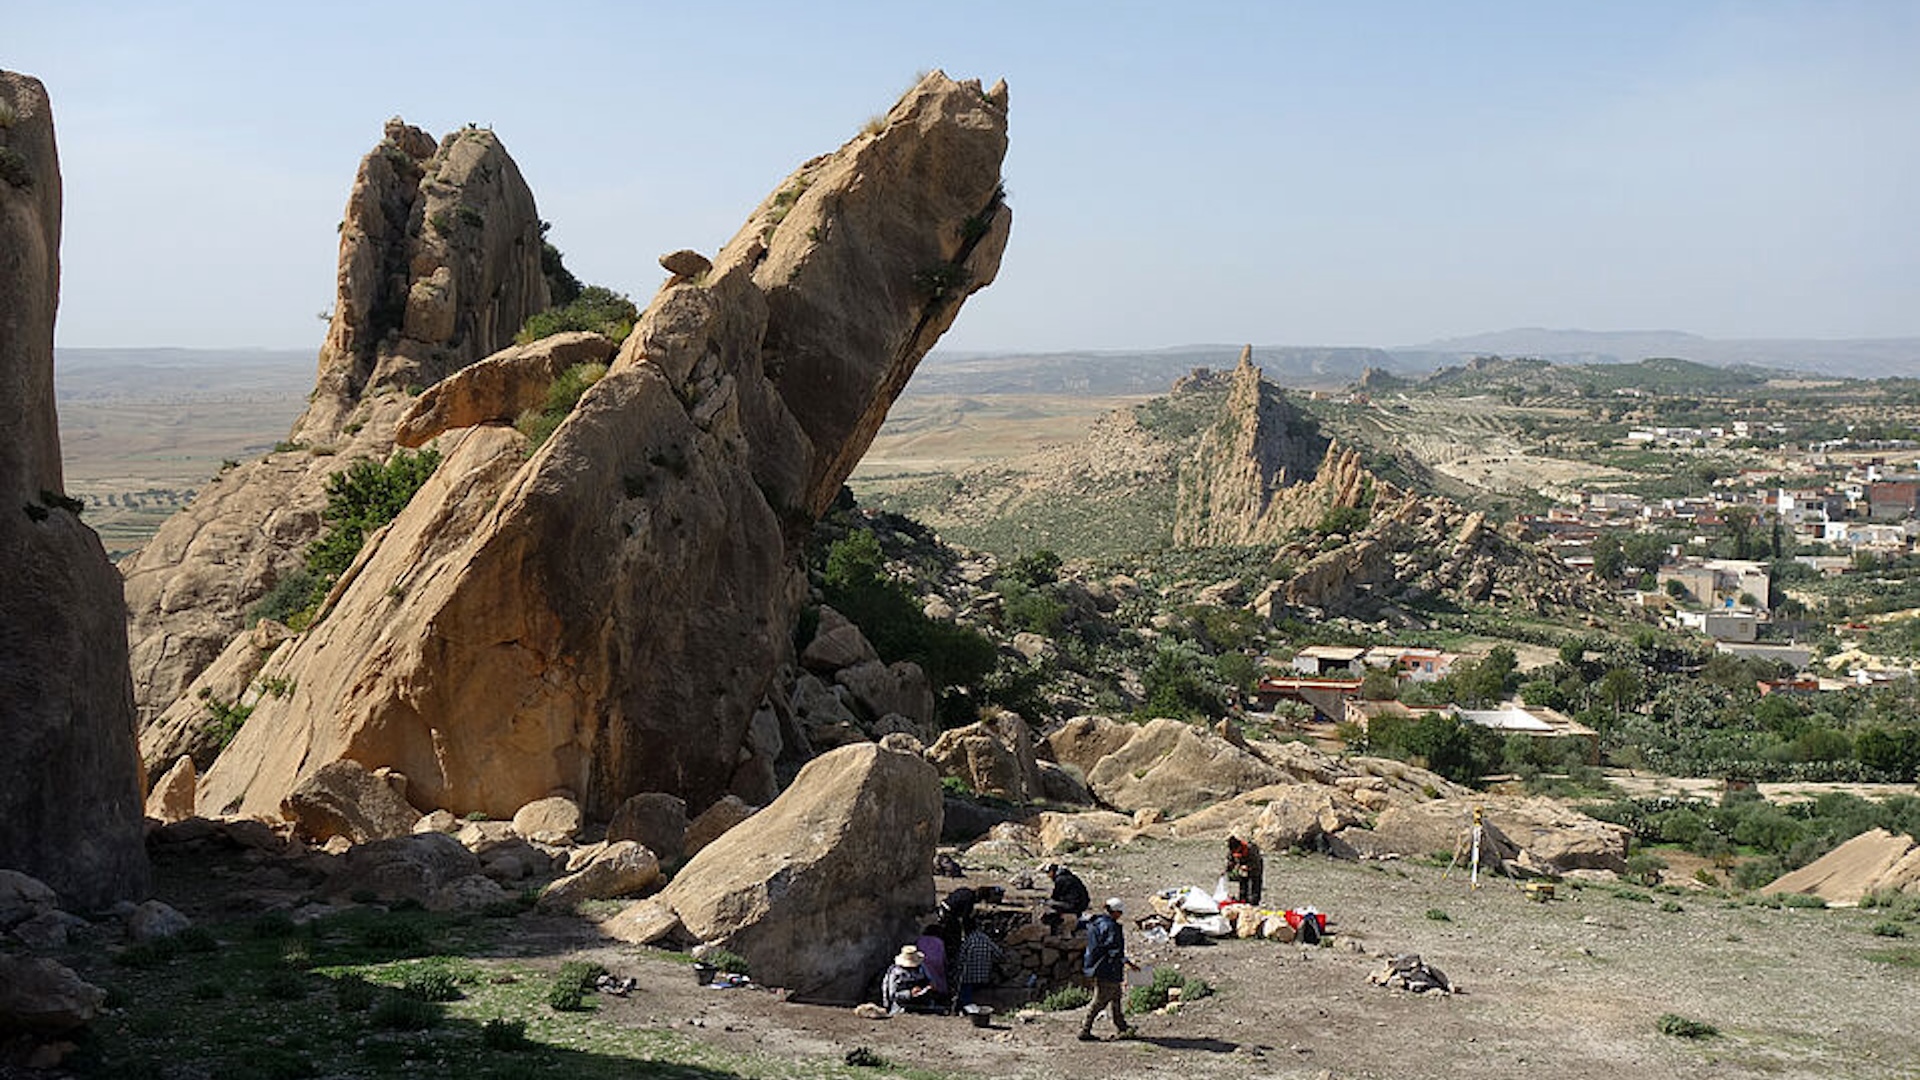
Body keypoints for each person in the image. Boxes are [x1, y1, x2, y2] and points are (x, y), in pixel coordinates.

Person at [1078, 897, 1136, 1041]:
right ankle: (1084, 1030)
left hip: (1097, 966)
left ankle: (1121, 1026)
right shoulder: (1112, 928)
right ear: (1115, 912)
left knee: (1116, 996)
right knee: (1100, 1001)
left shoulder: (1096, 923)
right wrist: (1127, 963)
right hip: (1108, 968)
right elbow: (1113, 951)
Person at [952, 923, 1004, 1014]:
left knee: (964, 989)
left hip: (969, 976)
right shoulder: (987, 940)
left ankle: (965, 1008)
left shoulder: (969, 940)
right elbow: (999, 954)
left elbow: (960, 959)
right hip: (984, 976)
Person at [881, 944, 937, 1015]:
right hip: (901, 1008)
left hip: (923, 1005)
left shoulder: (921, 968)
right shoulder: (895, 973)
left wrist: (928, 988)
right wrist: (910, 993)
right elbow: (892, 995)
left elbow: (930, 981)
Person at [1042, 863, 1090, 927]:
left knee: (1050, 904)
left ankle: (1058, 921)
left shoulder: (1061, 879)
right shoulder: (1068, 876)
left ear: (1052, 871)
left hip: (1075, 905)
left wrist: (1046, 901)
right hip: (1082, 903)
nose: (1048, 875)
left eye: (1048, 873)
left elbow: (1056, 896)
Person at [1225, 835, 1264, 905]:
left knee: (1255, 883)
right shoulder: (1232, 850)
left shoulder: (1250, 849)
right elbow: (1231, 861)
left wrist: (1248, 867)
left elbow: (1256, 862)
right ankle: (1243, 899)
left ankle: (1254, 901)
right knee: (1243, 882)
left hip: (1255, 866)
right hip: (1242, 866)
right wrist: (1228, 870)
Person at [915, 924, 950, 998]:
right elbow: (942, 956)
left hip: (923, 964)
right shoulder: (939, 942)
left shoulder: (920, 940)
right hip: (937, 965)